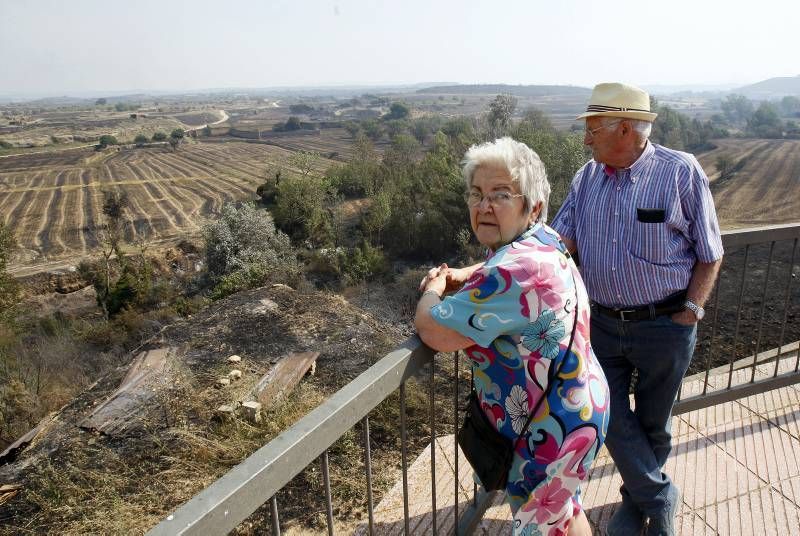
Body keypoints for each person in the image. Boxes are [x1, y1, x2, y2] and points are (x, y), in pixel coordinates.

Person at [551, 82, 724, 536]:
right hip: (602, 324)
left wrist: (691, 310)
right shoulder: (586, 176)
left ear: (625, 128)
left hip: (665, 325)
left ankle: (636, 501)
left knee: (654, 422)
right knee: (603, 413)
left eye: (592, 129)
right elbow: (560, 239)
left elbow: (710, 250)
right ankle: (659, 495)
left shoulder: (679, 171)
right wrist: (495, 268)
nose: (586, 139)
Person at [416, 137, 610, 536]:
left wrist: (434, 288)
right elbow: (501, 263)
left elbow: (433, 329)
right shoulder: (544, 241)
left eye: (500, 195)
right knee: (564, 512)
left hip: (549, 429)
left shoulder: (511, 272)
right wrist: (466, 275)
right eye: (476, 194)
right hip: (577, 406)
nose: (484, 206)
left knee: (545, 525)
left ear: (533, 206)